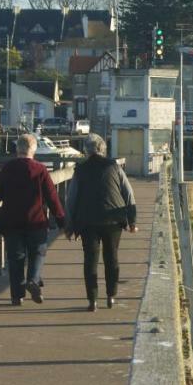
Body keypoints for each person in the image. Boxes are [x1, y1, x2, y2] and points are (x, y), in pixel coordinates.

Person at [0, 133, 65, 306]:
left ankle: (17, 296)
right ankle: (33, 279)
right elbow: (52, 197)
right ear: (33, 150)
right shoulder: (40, 169)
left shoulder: (8, 168)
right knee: (38, 252)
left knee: (15, 258)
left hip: (11, 221)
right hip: (36, 221)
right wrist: (61, 219)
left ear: (18, 149)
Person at [65, 133, 137, 311]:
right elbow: (128, 194)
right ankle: (111, 296)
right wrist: (132, 221)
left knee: (90, 259)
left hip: (87, 220)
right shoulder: (113, 166)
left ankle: (93, 301)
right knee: (111, 257)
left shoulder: (80, 170)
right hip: (113, 218)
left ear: (86, 151)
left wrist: (70, 227)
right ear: (103, 150)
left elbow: (71, 199)